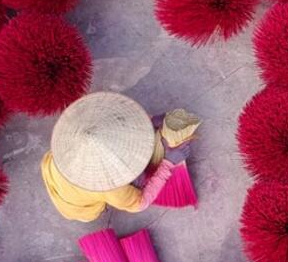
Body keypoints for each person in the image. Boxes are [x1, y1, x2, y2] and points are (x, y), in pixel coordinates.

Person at [41, 92, 198, 222]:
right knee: (140, 179)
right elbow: (141, 203)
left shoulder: (71, 137)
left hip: (52, 170)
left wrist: (149, 122)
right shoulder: (111, 188)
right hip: (78, 207)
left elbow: (118, 124)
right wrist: (168, 163)